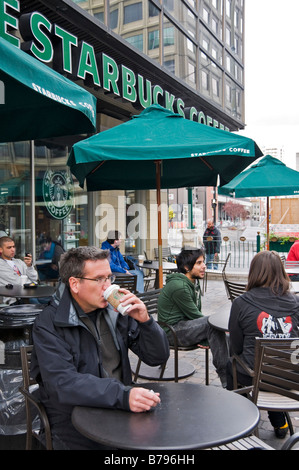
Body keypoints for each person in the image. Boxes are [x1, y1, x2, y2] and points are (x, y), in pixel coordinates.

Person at [30, 246, 169, 450]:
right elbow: (62, 383)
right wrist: (122, 395)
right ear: (75, 284)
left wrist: (146, 322)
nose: (107, 286)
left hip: (118, 407)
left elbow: (157, 357)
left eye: (109, 278)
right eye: (99, 280)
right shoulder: (49, 323)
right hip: (71, 416)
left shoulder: (116, 312)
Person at [227, 250, 299, 439]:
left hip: (255, 378)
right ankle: (280, 422)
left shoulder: (241, 303)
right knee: (273, 367)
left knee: (231, 365)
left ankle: (240, 420)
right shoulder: (297, 302)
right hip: (290, 378)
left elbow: (236, 347)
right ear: (281, 272)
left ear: (254, 272)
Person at [157, 248, 228, 387]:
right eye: (199, 263)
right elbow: (196, 315)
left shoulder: (193, 282)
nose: (204, 266)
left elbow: (196, 315)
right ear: (186, 267)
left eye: (204, 262)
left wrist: (204, 335)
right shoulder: (179, 286)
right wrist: (206, 336)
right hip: (171, 331)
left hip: (184, 326)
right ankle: (227, 380)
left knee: (226, 337)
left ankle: (234, 373)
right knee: (212, 325)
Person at [0, 236, 38, 304]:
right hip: (13, 300)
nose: (13, 250)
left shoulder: (19, 262)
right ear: (1, 249)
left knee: (51, 299)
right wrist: (31, 283)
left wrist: (29, 266)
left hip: (27, 295)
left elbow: (34, 278)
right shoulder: (1, 264)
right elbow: (17, 282)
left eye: (13, 247)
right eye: (9, 247)